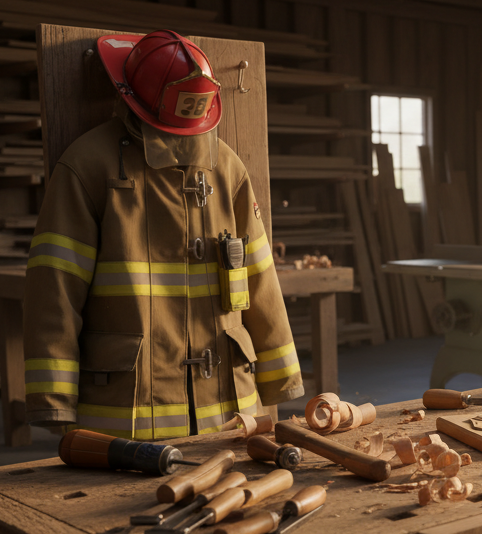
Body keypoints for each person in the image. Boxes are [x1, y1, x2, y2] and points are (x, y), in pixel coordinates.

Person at [23, 29, 303, 438]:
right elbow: (55, 291)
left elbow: (261, 277)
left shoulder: (226, 168)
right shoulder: (87, 166)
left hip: (229, 406)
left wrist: (280, 377)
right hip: (128, 414)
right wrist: (53, 399)